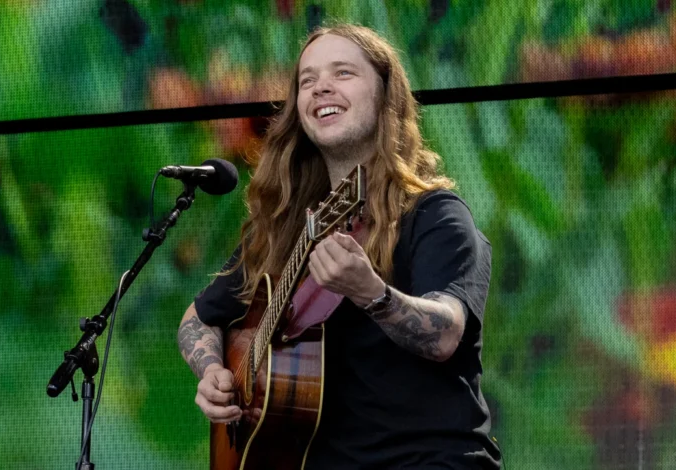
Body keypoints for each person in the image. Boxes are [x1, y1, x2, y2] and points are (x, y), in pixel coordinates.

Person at [177, 24, 501, 469]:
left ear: (385, 98)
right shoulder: (283, 230)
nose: (320, 87)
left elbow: (445, 335)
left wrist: (371, 293)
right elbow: (197, 319)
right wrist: (214, 372)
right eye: (307, 80)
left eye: (343, 72)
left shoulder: (435, 215)